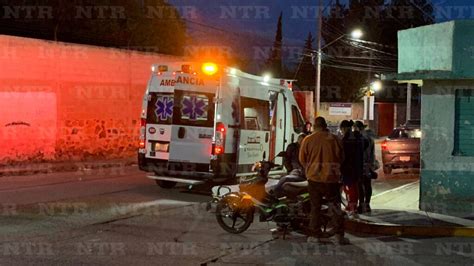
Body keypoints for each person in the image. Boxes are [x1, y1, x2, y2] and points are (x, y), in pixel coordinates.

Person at [299, 117, 349, 245]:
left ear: (315, 126)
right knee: (335, 207)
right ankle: (338, 235)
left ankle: (314, 236)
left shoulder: (308, 139)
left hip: (314, 179)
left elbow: (302, 159)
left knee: (315, 207)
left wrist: (310, 169)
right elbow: (342, 158)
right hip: (331, 179)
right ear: (325, 125)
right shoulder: (334, 139)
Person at [340, 120, 366, 215]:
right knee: (351, 188)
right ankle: (351, 205)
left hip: (349, 168)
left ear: (345, 128)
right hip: (354, 167)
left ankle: (353, 207)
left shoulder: (349, 139)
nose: (341, 131)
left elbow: (344, 154)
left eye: (342, 129)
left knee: (351, 188)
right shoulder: (356, 138)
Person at [354, 121, 376, 213]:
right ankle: (367, 204)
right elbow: (372, 154)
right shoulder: (370, 138)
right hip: (368, 165)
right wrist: (371, 166)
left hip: (360, 165)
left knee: (360, 186)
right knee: (367, 185)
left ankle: (361, 205)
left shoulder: (358, 138)